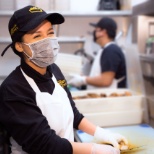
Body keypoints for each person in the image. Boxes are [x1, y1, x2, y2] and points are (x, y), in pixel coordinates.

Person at [0, 5, 128, 154]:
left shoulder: (55, 70)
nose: (47, 41)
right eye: (37, 36)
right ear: (20, 46)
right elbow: (44, 144)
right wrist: (93, 149)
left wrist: (100, 133)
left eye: (50, 33)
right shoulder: (13, 90)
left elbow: (74, 114)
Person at [68, 17, 127, 89]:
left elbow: (106, 80)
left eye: (96, 30)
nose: (94, 33)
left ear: (103, 32)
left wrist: (83, 80)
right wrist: (83, 77)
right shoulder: (105, 49)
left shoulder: (111, 51)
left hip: (110, 98)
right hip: (103, 97)